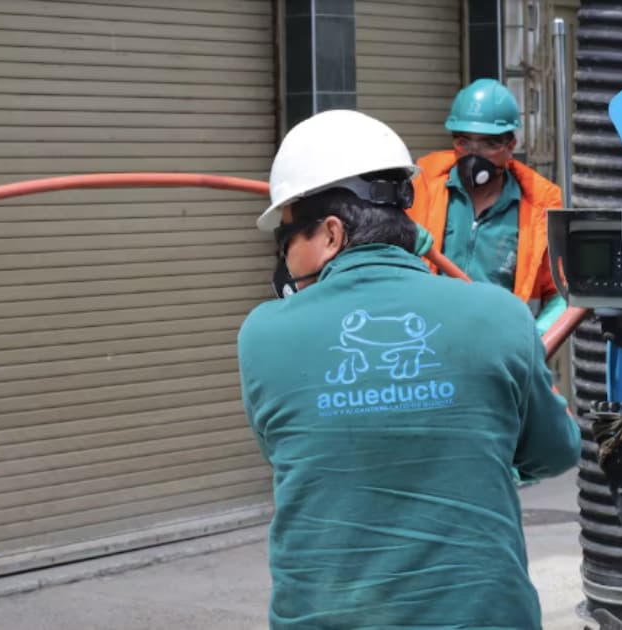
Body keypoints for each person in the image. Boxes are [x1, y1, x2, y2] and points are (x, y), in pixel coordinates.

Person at [237, 109, 580, 629]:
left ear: (330, 234)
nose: (285, 260)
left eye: (287, 240)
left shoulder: (264, 334)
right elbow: (556, 450)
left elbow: (292, 452)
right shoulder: (501, 315)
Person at [408, 78, 567, 336]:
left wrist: (536, 339)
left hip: (500, 347)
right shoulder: (420, 191)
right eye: (464, 142)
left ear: (511, 146)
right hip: (429, 341)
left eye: (488, 143)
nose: (474, 154)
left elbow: (560, 290)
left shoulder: (539, 210)